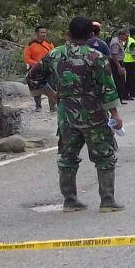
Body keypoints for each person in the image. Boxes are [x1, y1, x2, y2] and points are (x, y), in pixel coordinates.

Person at [31, 16, 124, 212]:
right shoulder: (97, 57)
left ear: (68, 34)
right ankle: (107, 201)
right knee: (105, 158)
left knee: (67, 158)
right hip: (95, 116)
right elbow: (108, 89)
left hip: (66, 115)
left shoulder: (54, 55)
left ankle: (70, 201)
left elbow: (32, 77)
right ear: (91, 35)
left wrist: (52, 94)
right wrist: (115, 115)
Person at [23, 26, 56, 112]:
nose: (44, 34)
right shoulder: (30, 45)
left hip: (48, 69)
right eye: (42, 32)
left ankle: (52, 107)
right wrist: (37, 64)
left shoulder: (49, 43)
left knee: (51, 86)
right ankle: (38, 106)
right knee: (35, 87)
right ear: (37, 33)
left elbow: (53, 54)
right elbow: (27, 58)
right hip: (35, 70)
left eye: (45, 32)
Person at [108, 28, 128, 103]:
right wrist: (118, 66)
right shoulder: (115, 42)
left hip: (119, 62)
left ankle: (120, 98)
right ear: (121, 35)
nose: (126, 38)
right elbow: (114, 55)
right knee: (119, 81)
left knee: (121, 80)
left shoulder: (119, 41)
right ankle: (118, 98)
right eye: (125, 36)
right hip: (116, 63)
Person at [122, 28, 135, 100]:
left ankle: (131, 92)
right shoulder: (132, 42)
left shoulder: (128, 40)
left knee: (131, 78)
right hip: (131, 62)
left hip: (127, 61)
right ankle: (128, 93)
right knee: (134, 77)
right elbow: (133, 54)